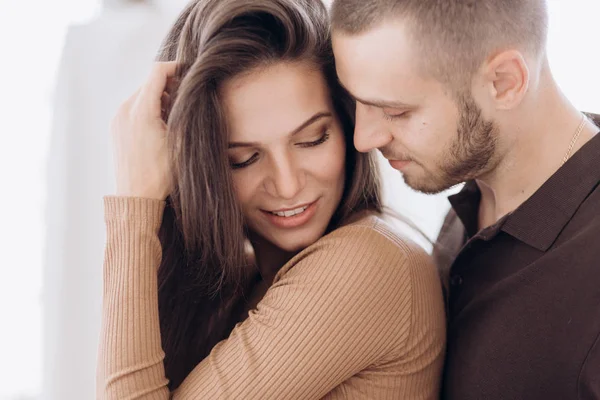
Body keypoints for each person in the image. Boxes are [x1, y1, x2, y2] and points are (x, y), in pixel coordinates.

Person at [96, 0, 446, 398]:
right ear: (201, 167)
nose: (286, 185)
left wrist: (134, 201)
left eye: (312, 139)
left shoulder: (368, 263)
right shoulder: (245, 282)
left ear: (347, 124)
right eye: (243, 159)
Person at [330, 0, 600, 398]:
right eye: (357, 101)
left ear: (504, 82)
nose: (363, 139)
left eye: (395, 110)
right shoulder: (472, 203)